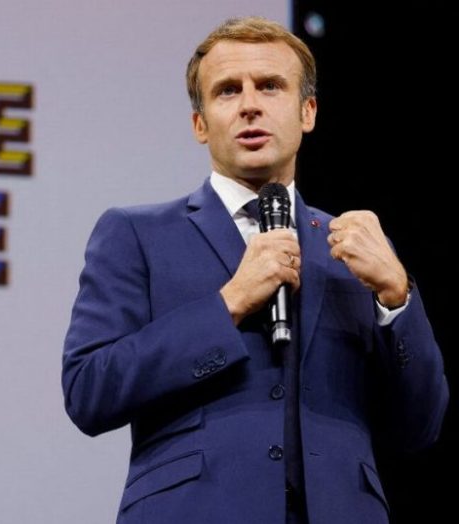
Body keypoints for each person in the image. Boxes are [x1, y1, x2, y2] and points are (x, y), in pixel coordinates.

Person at [61, 16, 448, 524]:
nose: (249, 105)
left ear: (307, 112)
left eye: (270, 86)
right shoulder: (137, 233)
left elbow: (420, 426)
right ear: (200, 124)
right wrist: (228, 304)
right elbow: (89, 391)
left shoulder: (357, 247)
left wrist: (397, 296)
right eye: (227, 90)